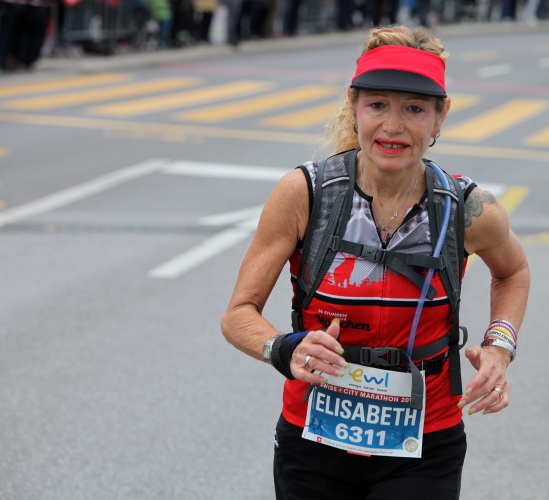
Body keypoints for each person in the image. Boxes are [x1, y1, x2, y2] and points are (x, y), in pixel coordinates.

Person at [221, 25, 530, 499]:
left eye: (414, 109)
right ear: (354, 105)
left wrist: (499, 346)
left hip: (425, 442)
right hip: (314, 439)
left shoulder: (467, 208)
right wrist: (284, 348)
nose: (393, 126)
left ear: (440, 116)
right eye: (378, 105)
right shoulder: (306, 194)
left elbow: (512, 272)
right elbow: (238, 315)